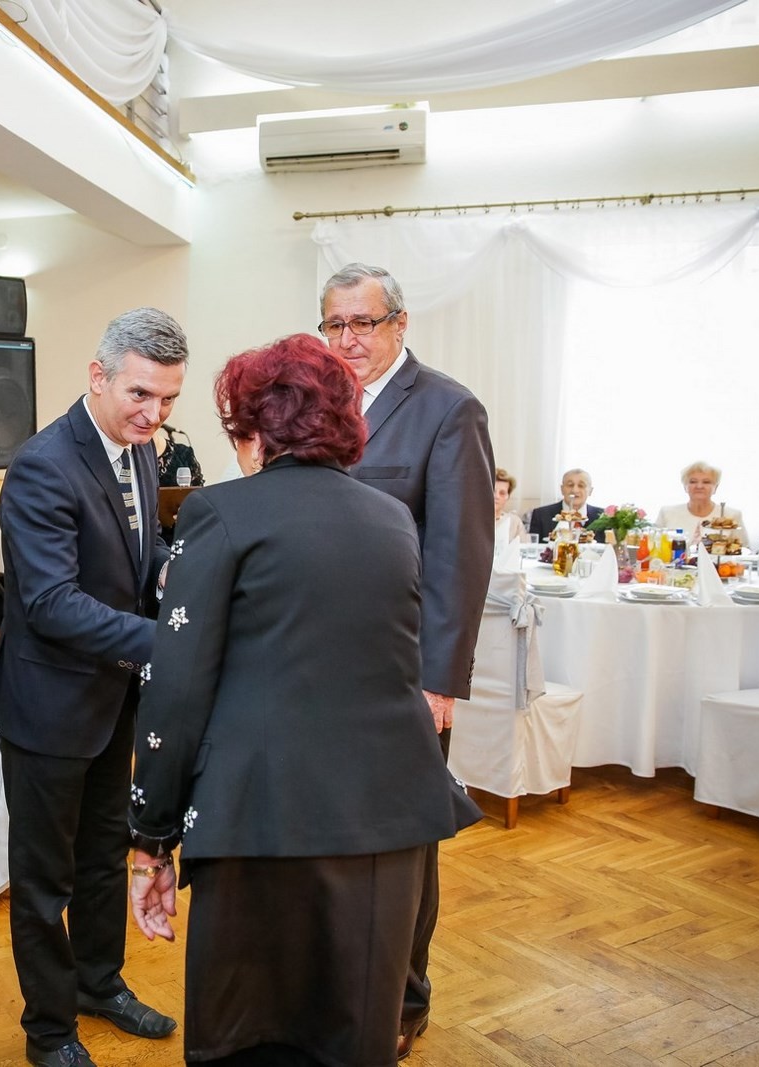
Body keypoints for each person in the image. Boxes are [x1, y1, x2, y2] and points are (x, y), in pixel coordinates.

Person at [128, 333, 482, 1065]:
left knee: (249, 1036)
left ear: (254, 429)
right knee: (355, 1034)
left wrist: (152, 837)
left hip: (260, 815)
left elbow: (178, 686)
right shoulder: (391, 518)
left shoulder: (218, 511)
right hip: (386, 816)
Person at [0, 307, 188, 1067]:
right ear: (98, 375)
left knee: (105, 854)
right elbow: (51, 602)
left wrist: (168, 571)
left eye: (168, 399)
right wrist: (169, 643)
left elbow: (141, 547)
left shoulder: (137, 447)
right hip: (49, 706)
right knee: (45, 880)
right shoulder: (43, 464)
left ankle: (99, 984)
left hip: (113, 700)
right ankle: (49, 1030)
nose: (155, 414)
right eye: (141, 394)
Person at [320, 262, 494, 1058]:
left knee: (404, 842)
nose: (348, 339)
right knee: (339, 837)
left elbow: (462, 556)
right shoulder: (319, 403)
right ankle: (339, 985)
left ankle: (405, 997)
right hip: (324, 668)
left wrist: (440, 681)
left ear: (399, 324)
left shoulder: (449, 409)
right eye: (335, 323)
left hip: (403, 674)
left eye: (363, 322)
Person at [655, 460, 747, 548]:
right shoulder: (666, 513)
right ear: (685, 486)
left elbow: (745, 550)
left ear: (716, 487)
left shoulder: (732, 515)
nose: (699, 486)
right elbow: (655, 549)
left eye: (706, 482)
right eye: (693, 481)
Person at [528, 468, 603, 541]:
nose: (575, 490)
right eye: (570, 485)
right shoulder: (541, 514)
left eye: (581, 485)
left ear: (590, 491)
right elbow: (533, 546)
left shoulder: (602, 516)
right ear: (562, 489)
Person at [494, 467, 526, 543]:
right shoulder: (471, 520)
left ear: (508, 497)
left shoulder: (515, 522)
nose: (496, 496)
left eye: (502, 493)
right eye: (492, 491)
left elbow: (524, 547)